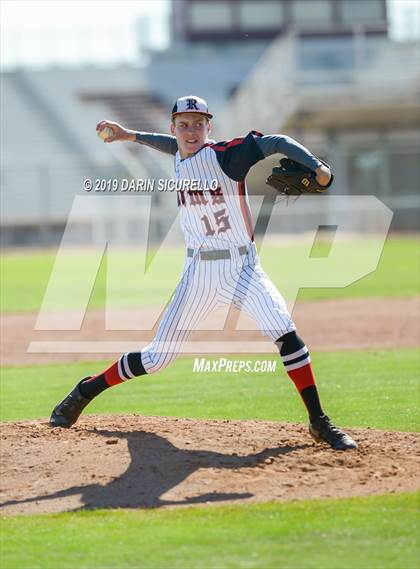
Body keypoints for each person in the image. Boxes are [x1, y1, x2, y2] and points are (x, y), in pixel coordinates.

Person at [50, 95, 357, 451]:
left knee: (286, 334)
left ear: (209, 127)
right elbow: (174, 148)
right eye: (184, 124)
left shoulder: (227, 156)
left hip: (243, 268)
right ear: (173, 128)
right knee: (156, 359)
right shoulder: (180, 153)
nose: (191, 131)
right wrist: (129, 135)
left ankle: (319, 422)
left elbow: (277, 143)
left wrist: (319, 167)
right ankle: (85, 390)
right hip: (198, 273)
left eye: (198, 123)